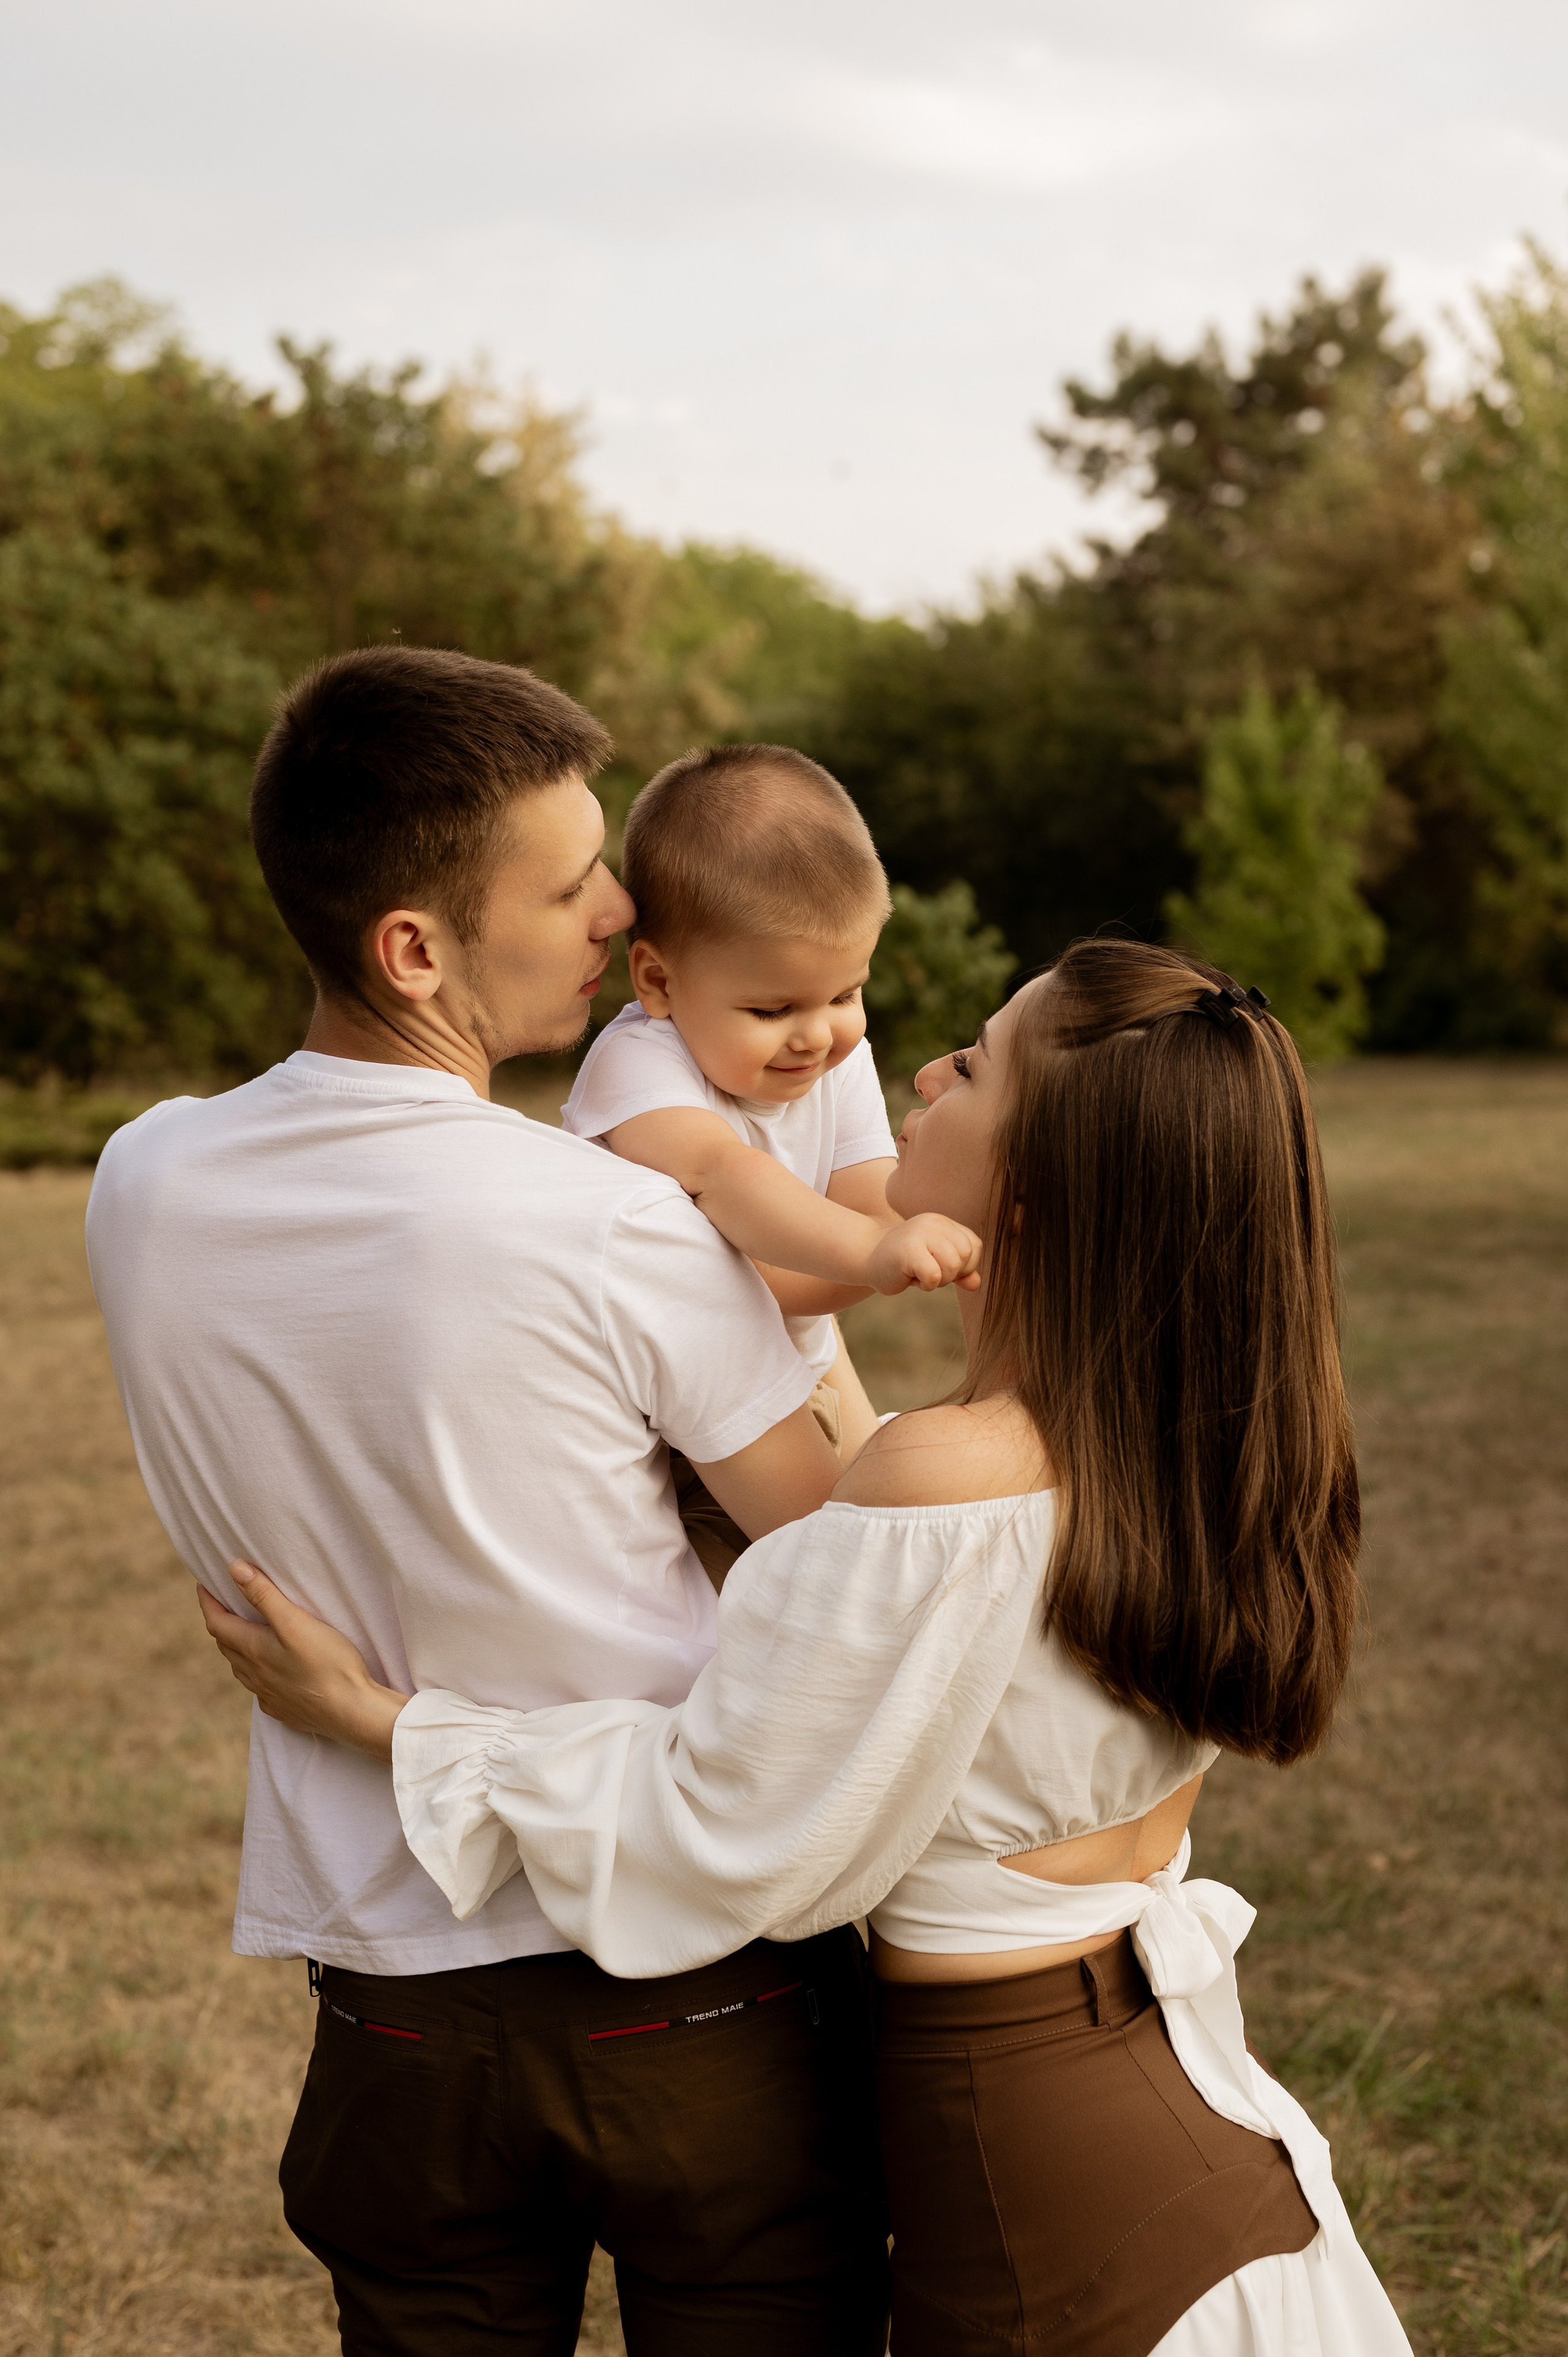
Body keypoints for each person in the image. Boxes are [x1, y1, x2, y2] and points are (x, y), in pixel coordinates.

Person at [206, 940, 1417, 2357]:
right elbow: (844, 1458)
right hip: (1166, 2134)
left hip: (1050, 2199)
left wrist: (386, 1724)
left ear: (1030, 1189)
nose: (914, 1071)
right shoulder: (1164, 1445)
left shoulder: (945, 1480)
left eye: (971, 1065)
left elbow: (710, 1820)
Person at [85, 644, 899, 2357]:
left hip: (388, 2017)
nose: (617, 911)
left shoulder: (143, 1183)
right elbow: (845, 1547)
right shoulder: (609, 1224)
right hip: (689, 1983)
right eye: (572, 882)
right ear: (415, 948)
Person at [560, 741, 981, 1572]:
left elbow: (866, 1201)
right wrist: (874, 1251)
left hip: (797, 1363)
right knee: (788, 1599)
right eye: (771, 1007)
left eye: (846, 994)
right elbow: (733, 1184)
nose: (819, 1034)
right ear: (658, 983)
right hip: (670, 1424)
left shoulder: (828, 1054)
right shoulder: (639, 1069)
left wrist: (919, 1232)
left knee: (894, 1542)